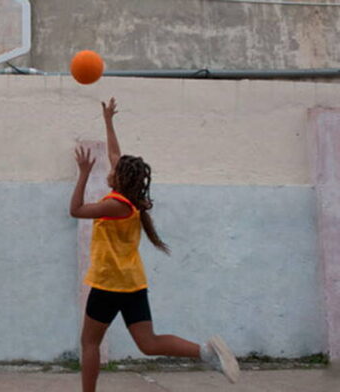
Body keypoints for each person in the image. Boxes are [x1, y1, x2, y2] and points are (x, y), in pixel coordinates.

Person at [70, 98, 240, 392]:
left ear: (119, 178)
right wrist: (108, 120)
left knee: (89, 343)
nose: (110, 167)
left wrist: (84, 174)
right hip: (133, 284)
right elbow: (114, 153)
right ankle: (205, 353)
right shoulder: (131, 202)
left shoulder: (114, 205)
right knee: (148, 344)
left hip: (109, 284)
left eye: (114, 169)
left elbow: (76, 211)